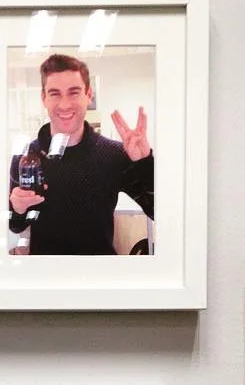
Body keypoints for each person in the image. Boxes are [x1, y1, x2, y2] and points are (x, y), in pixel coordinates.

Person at [8, 53, 154, 255]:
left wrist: (144, 163)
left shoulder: (114, 154)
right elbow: (16, 225)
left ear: (89, 95)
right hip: (45, 271)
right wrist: (17, 208)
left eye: (74, 92)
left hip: (99, 271)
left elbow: (159, 211)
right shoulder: (26, 158)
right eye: (55, 94)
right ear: (44, 98)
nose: (65, 104)